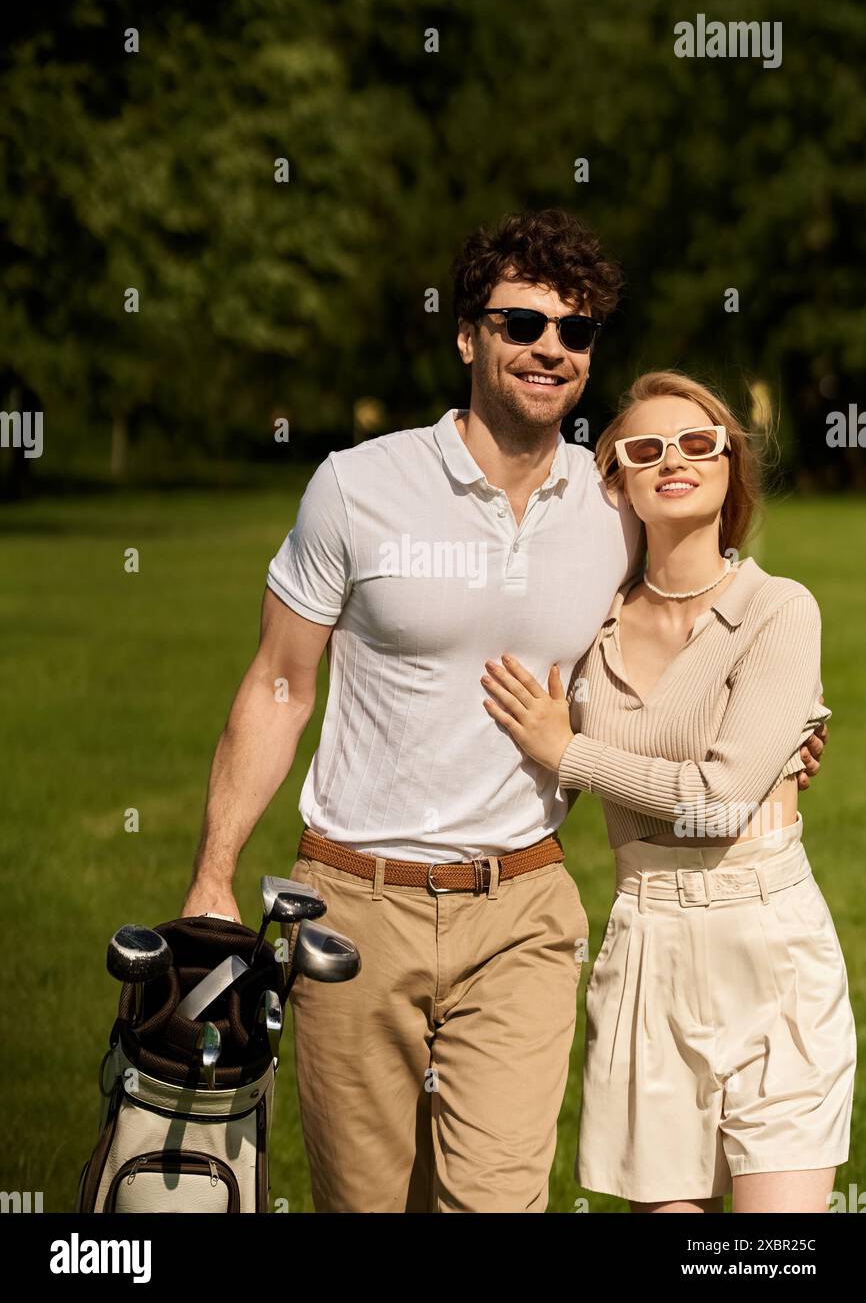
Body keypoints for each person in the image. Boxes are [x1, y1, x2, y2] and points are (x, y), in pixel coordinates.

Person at [182, 210, 826, 1212]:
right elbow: (278, 682)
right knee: (362, 1203)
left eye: (573, 333)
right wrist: (212, 876)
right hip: (356, 899)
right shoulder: (356, 488)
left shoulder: (608, 505)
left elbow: (685, 623)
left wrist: (774, 730)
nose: (549, 349)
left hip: (521, 909)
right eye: (521, 323)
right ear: (466, 333)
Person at [481, 370, 855, 1214]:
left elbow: (720, 804)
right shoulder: (585, 631)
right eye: (644, 449)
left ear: (730, 466)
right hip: (645, 944)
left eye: (697, 443)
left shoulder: (780, 611)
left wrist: (569, 752)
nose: (673, 460)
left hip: (771, 946)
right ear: (615, 480)